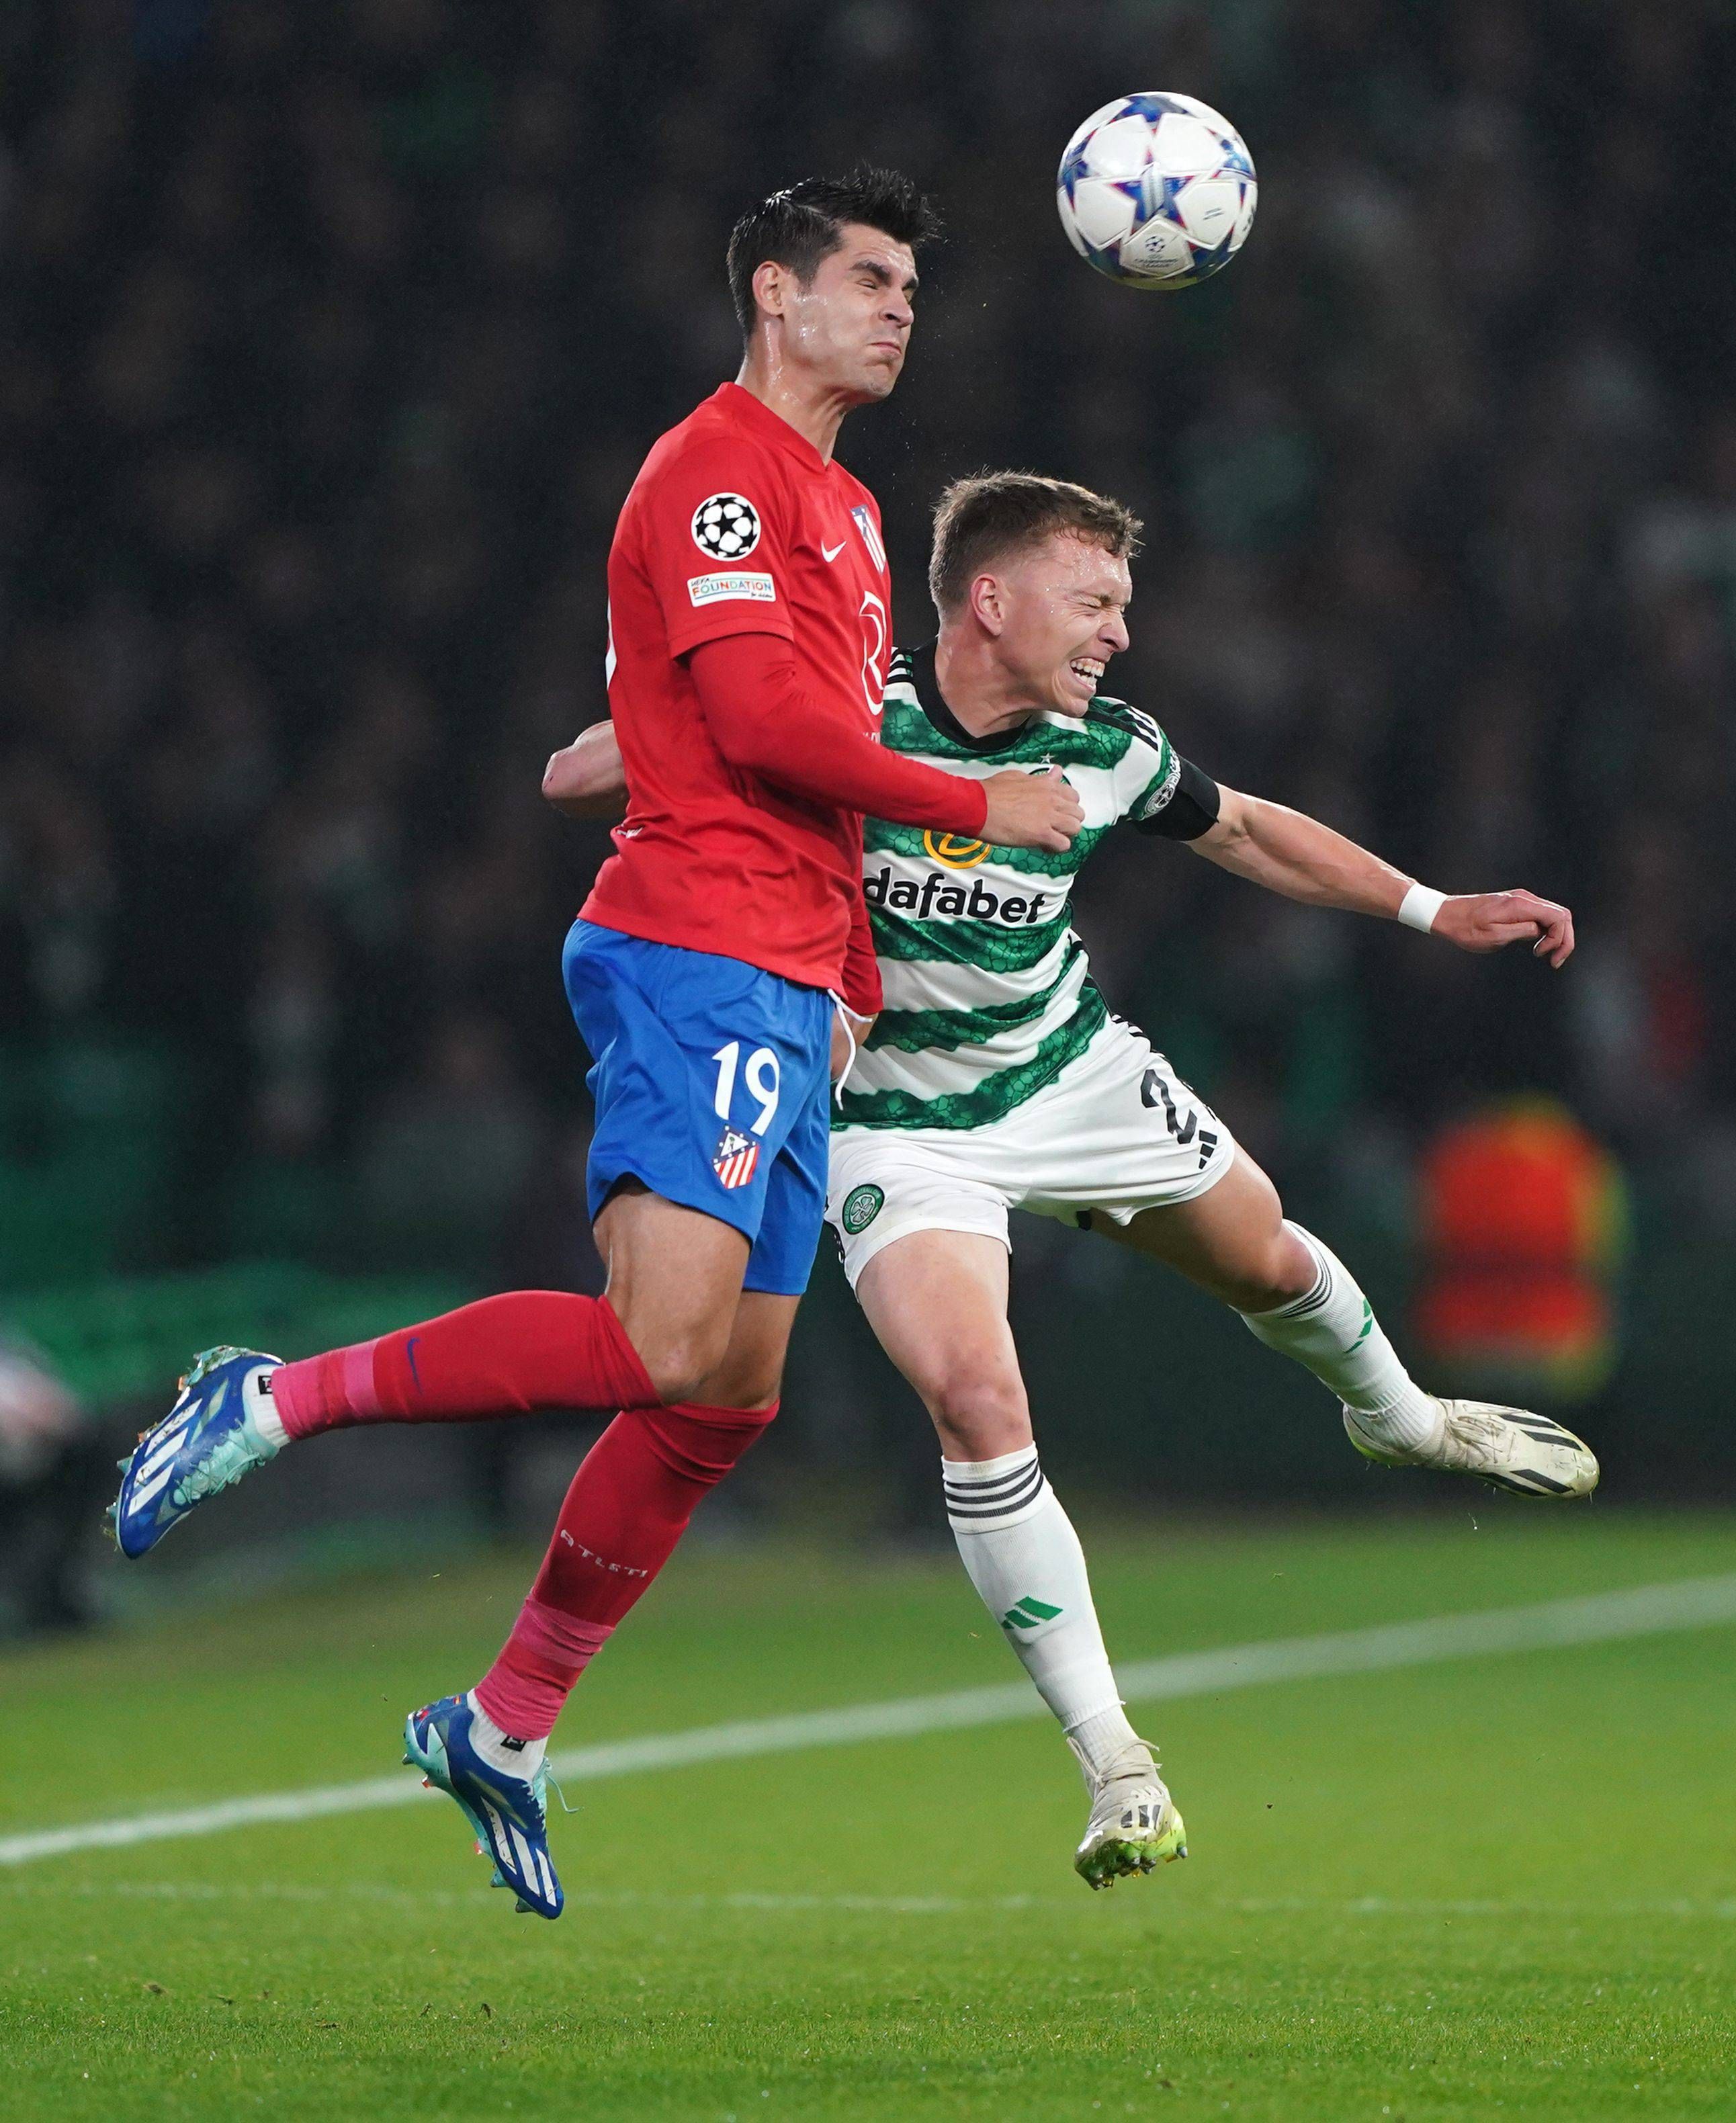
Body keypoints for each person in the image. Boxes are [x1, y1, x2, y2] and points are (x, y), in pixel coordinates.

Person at [107, 169, 1084, 1921]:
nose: (898, 306)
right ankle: (266, 1396)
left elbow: (789, 740)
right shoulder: (711, 467)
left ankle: (501, 1723)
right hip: (693, 939)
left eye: (909, 285)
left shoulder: (851, 518)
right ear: (775, 298)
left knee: (726, 1395)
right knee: (662, 1337)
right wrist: (970, 799)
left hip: (788, 969)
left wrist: (856, 968)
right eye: (866, 277)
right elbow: (768, 721)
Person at [542, 470, 1597, 1890]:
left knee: (1272, 1261)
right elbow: (604, 761)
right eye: (1094, 601)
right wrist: (656, 743)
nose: (1117, 632)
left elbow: (1245, 825)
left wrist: (1432, 905)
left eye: (1122, 606)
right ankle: (1119, 1764)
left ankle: (1401, 1419)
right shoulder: (845, 705)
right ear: (993, 598)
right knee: (977, 1396)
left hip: (1067, 1072)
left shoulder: (1108, 747)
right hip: (893, 1128)